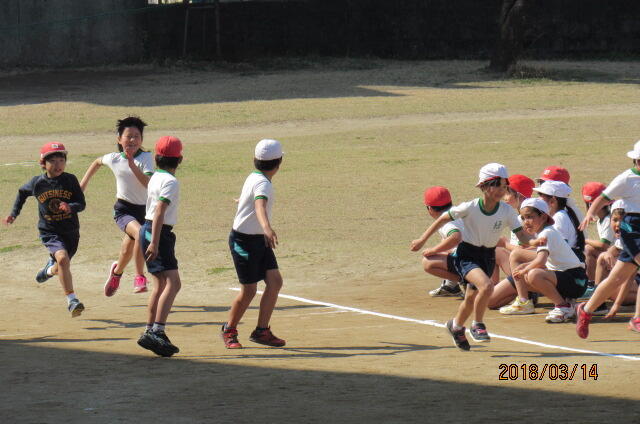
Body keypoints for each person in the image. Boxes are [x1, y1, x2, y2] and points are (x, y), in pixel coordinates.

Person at [417, 163, 530, 350]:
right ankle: (478, 324)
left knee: (471, 298)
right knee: (487, 286)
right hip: (467, 255)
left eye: (504, 186)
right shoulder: (470, 207)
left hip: (488, 257)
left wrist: (538, 241)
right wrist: (422, 240)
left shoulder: (507, 211)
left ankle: (455, 326)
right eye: (496, 185)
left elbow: (523, 237)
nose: (501, 190)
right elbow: (444, 218)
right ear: (483, 187)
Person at [3, 142, 86, 317]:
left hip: (71, 231)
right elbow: (22, 192)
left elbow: (81, 203)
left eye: (61, 160)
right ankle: (72, 300)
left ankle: (48, 271)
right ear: (43, 163)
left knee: (61, 265)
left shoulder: (70, 180)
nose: (58, 165)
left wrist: (71, 207)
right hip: (49, 231)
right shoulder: (38, 183)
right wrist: (14, 213)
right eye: (53, 161)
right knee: (62, 259)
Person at [222, 139, 286, 349]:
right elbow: (260, 205)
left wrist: (242, 201)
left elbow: (253, 201)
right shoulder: (263, 183)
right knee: (249, 290)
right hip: (244, 241)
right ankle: (229, 329)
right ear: (279, 163)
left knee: (274, 281)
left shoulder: (255, 177)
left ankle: (262, 331)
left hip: (258, 240)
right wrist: (267, 227)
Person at [80, 117, 153, 296]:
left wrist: (132, 164)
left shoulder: (146, 157)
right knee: (140, 234)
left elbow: (147, 183)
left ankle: (116, 273)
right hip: (124, 210)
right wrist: (82, 186)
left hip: (144, 211)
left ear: (141, 139)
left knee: (128, 249)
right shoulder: (114, 159)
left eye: (137, 136)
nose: (133, 140)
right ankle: (139, 277)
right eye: (128, 136)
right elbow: (97, 162)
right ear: (119, 139)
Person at [576, 140, 640, 338]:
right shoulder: (626, 179)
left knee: (616, 278)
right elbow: (602, 198)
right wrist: (590, 214)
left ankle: (586, 310)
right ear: (636, 161)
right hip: (632, 228)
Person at [136, 136, 183, 357]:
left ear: (156, 158)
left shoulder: (155, 177)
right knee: (173, 283)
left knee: (160, 284)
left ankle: (149, 330)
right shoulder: (171, 182)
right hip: (158, 233)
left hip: (147, 229)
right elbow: (160, 211)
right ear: (179, 159)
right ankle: (157, 331)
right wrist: (155, 242)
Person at [510, 198, 588, 323]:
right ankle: (568, 303)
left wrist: (524, 269)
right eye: (523, 218)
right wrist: (525, 267)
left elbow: (540, 261)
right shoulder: (545, 232)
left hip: (576, 280)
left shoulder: (546, 233)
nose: (526, 222)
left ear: (543, 217)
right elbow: (546, 261)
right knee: (528, 276)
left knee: (534, 274)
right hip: (570, 278)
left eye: (529, 217)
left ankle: (563, 306)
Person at [410, 186, 464, 298]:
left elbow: (455, 237)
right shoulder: (457, 211)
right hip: (482, 256)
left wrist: (433, 250)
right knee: (444, 243)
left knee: (428, 262)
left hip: (470, 261)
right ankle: (451, 286)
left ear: (429, 208)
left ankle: (466, 281)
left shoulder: (446, 223)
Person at [581, 182, 613, 284]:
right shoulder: (601, 220)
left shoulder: (608, 220)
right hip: (614, 256)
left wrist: (585, 240)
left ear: (590, 204)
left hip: (617, 258)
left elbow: (603, 245)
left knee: (588, 249)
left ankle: (591, 283)